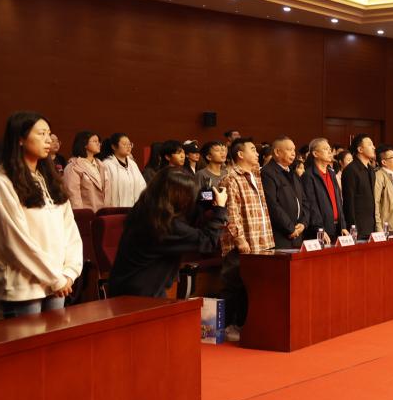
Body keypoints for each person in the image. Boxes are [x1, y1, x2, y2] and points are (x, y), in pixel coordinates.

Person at [0, 112, 84, 317]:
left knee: (57, 337)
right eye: (41, 133)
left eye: (49, 133)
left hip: (58, 284)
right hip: (24, 288)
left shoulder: (50, 181)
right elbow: (15, 241)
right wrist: (55, 278)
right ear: (20, 139)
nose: (48, 140)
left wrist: (69, 272)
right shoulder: (2, 183)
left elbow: (70, 231)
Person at [108, 169, 228, 298]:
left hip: (129, 291)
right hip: (138, 299)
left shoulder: (146, 212)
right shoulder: (162, 226)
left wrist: (202, 207)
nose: (190, 199)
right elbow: (208, 241)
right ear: (177, 197)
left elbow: (185, 224)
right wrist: (220, 209)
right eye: (188, 195)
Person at [220, 137, 274, 341]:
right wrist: (240, 240)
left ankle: (244, 324)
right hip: (241, 244)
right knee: (234, 285)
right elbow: (230, 214)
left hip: (260, 240)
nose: (257, 153)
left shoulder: (256, 175)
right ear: (240, 154)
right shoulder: (231, 178)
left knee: (251, 287)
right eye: (252, 149)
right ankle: (227, 326)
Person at [261, 136, 307, 249]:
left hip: (298, 234)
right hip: (281, 235)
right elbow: (272, 205)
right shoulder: (268, 173)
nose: (293, 153)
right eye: (289, 150)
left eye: (294, 150)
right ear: (277, 152)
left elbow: (304, 201)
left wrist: (303, 223)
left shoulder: (293, 173)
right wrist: (290, 229)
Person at [342, 134, 377, 239]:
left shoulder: (371, 170)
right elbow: (349, 201)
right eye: (370, 144)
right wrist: (353, 227)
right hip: (358, 227)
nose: (373, 147)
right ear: (360, 149)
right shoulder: (351, 170)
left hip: (372, 224)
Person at [100, 133, 146, 208]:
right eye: (124, 144)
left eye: (130, 144)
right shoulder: (107, 164)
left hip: (135, 209)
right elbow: (105, 190)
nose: (128, 147)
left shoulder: (132, 164)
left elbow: (142, 185)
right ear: (114, 147)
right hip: (116, 209)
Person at [62, 131, 105, 212]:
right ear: (84, 144)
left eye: (99, 141)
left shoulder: (102, 166)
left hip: (103, 213)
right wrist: (81, 216)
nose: (98, 144)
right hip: (86, 214)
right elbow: (73, 196)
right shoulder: (73, 167)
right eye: (95, 141)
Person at [373, 144, 393, 233]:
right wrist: (378, 227)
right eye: (392, 157)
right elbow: (376, 202)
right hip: (387, 225)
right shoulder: (379, 176)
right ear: (384, 162)